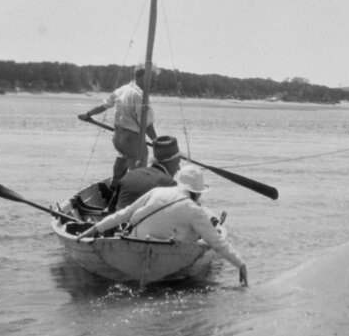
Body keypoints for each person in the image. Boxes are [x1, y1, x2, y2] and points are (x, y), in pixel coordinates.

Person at [77, 164, 249, 286]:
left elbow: (125, 213)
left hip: (134, 242)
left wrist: (94, 229)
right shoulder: (196, 211)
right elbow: (218, 243)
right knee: (199, 236)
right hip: (169, 254)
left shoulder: (156, 192)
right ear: (197, 193)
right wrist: (240, 264)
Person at [79, 66, 158, 182]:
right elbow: (146, 124)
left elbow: (104, 106)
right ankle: (132, 194)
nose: (154, 84)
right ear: (142, 78)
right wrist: (156, 142)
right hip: (132, 140)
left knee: (123, 157)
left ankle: (114, 186)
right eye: (152, 80)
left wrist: (88, 114)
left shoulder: (122, 89)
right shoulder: (140, 96)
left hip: (118, 138)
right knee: (139, 176)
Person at [105, 135, 184, 212]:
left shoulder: (130, 175)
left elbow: (111, 209)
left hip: (116, 222)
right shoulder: (169, 184)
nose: (178, 168)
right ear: (169, 163)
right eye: (177, 163)